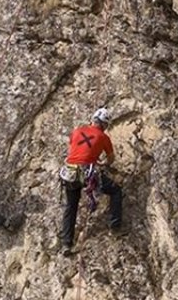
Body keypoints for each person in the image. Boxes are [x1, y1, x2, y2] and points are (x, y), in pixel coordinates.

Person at [58, 107, 123, 255]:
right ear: (105, 125)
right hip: (87, 173)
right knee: (115, 190)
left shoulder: (77, 131)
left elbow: (74, 149)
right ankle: (115, 227)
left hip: (70, 172)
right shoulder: (103, 137)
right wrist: (103, 163)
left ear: (93, 120)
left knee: (71, 206)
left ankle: (66, 244)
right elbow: (111, 159)